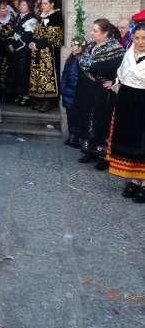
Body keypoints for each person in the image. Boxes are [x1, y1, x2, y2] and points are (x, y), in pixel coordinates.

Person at [76, 19, 124, 168]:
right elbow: (83, 61)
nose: (92, 33)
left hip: (104, 91)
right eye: (92, 30)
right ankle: (89, 150)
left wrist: (115, 81)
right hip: (89, 89)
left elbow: (97, 67)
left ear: (106, 33)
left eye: (95, 31)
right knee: (88, 118)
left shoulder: (116, 49)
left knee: (102, 122)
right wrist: (85, 61)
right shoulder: (91, 46)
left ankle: (103, 156)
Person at [107, 22, 145, 202]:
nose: (140, 42)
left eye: (144, 38)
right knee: (129, 140)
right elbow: (121, 74)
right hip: (127, 101)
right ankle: (133, 179)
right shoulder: (129, 53)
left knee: (143, 142)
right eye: (137, 38)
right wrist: (117, 84)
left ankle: (143, 183)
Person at [28, 0, 64, 112]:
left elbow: (54, 36)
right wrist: (32, 42)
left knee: (48, 76)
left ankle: (49, 101)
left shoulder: (56, 16)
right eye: (42, 3)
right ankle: (39, 99)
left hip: (49, 52)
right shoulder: (41, 15)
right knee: (38, 75)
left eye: (45, 3)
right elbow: (36, 32)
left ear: (52, 4)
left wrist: (38, 44)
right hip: (38, 51)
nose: (42, 5)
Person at [7, 0, 37, 106]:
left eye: (24, 5)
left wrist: (15, 46)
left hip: (24, 51)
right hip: (16, 50)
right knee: (17, 73)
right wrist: (10, 43)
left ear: (29, 6)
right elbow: (13, 31)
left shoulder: (32, 19)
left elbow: (27, 37)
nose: (21, 6)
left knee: (24, 73)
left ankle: (26, 95)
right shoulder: (18, 16)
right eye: (20, 4)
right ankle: (19, 93)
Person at [61, 41, 82, 148]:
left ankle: (75, 138)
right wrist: (63, 88)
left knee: (75, 116)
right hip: (68, 92)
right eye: (72, 45)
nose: (73, 47)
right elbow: (65, 74)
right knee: (70, 116)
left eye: (75, 46)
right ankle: (72, 136)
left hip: (74, 92)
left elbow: (76, 77)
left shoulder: (80, 59)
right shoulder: (70, 59)